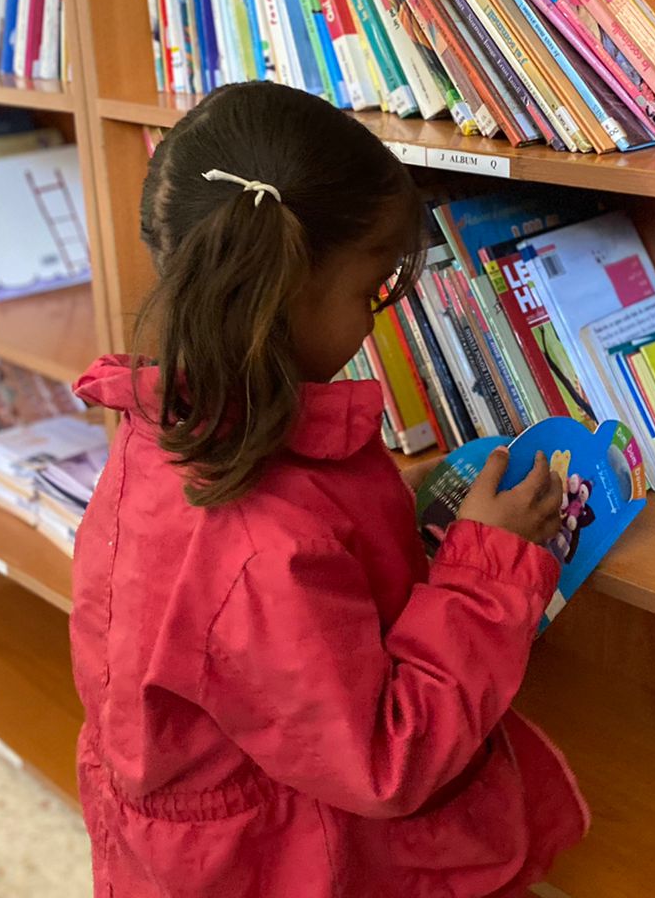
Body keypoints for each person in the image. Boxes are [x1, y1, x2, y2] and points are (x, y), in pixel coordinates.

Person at [69, 84, 588, 897]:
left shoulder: (167, 425)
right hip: (275, 865)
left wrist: (386, 499)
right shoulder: (259, 549)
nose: (375, 320)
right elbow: (386, 762)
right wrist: (490, 572)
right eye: (370, 291)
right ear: (284, 291)